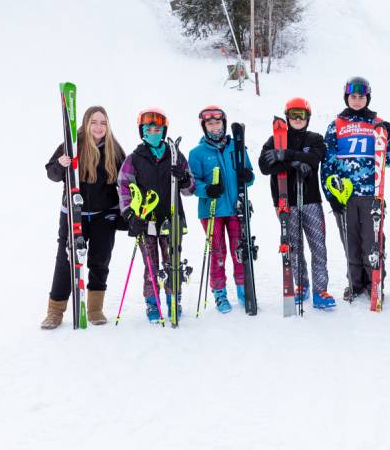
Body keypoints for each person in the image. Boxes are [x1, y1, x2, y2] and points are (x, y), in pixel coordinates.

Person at [42, 106, 126, 329]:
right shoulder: (71, 145)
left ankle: (95, 309)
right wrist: (61, 164)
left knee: (100, 260)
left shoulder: (115, 149)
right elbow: (51, 174)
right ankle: (55, 311)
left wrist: (127, 212)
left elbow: (127, 182)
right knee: (66, 261)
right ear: (86, 123)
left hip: (103, 214)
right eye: (94, 122)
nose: (99, 127)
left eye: (103, 123)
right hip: (73, 212)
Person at [320, 76, 390, 300]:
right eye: (352, 97)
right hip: (345, 195)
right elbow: (328, 163)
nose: (356, 100)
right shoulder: (336, 125)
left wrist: (388, 135)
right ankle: (355, 283)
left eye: (360, 97)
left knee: (372, 241)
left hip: (372, 194)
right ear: (346, 97)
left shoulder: (377, 123)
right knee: (350, 241)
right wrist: (331, 195)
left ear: (367, 98)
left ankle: (375, 280)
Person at [118, 108, 195, 323]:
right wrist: (130, 214)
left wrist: (184, 179)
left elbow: (190, 190)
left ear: (164, 131)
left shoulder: (175, 155)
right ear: (142, 131)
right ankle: (153, 302)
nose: (154, 132)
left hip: (172, 220)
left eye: (158, 129)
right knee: (151, 264)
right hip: (146, 220)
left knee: (173, 261)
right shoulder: (134, 159)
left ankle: (173, 298)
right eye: (149, 129)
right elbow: (124, 186)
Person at [258, 98, 335, 309]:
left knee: (318, 246)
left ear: (308, 117)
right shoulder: (275, 139)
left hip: (311, 201)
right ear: (287, 117)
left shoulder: (316, 138)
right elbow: (264, 166)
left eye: (302, 115)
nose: (298, 119)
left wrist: (286, 157)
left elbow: (315, 159)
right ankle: (301, 285)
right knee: (293, 247)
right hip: (285, 202)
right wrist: (295, 162)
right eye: (293, 115)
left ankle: (321, 291)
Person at [188, 105, 255, 314]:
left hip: (236, 209)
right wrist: (207, 189)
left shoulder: (237, 146)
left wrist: (247, 176)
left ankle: (244, 290)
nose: (215, 126)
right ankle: (219, 294)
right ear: (204, 126)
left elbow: (250, 175)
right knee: (218, 252)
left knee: (239, 251)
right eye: (210, 123)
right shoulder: (197, 153)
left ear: (224, 124)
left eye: (218, 122)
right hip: (212, 210)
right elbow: (192, 184)